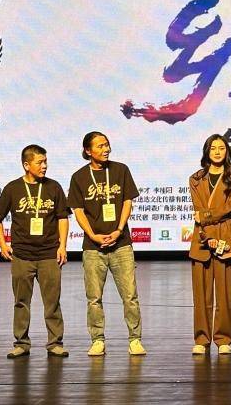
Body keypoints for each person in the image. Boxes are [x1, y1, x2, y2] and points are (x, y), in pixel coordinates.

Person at [67, 131, 146, 356]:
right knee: (94, 298)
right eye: (100, 146)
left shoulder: (120, 170)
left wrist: (119, 230)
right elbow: (78, 210)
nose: (106, 149)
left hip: (121, 243)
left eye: (107, 145)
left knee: (130, 296)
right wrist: (92, 235)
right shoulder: (79, 177)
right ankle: (97, 340)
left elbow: (127, 201)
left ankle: (135, 339)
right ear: (88, 151)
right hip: (93, 247)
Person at [0, 144, 70, 359]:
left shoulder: (54, 187)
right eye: (39, 162)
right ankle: (21, 343)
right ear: (27, 165)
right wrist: (2, 244)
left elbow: (63, 218)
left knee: (52, 302)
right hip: (22, 255)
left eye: (45, 161)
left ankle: (55, 343)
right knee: (21, 302)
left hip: (49, 255)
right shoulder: (13, 188)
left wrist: (62, 246)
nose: (44, 166)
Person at [188, 134, 231, 356]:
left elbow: (228, 208)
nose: (217, 152)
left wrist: (206, 217)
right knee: (201, 296)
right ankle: (202, 339)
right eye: (213, 148)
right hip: (202, 241)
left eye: (221, 148)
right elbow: (197, 208)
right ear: (207, 152)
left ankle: (223, 339)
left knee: (225, 295)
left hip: (225, 240)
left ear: (227, 151)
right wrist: (208, 236)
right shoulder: (196, 178)